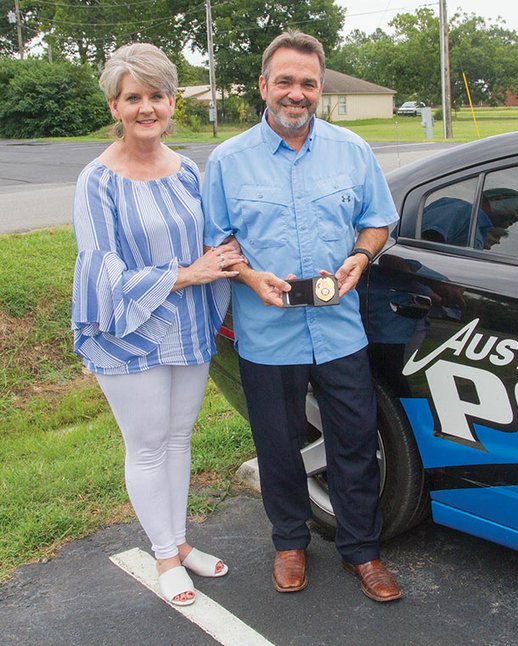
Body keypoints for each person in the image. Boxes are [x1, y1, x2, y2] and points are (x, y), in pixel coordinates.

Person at [202, 30, 402, 602]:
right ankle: (289, 543)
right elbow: (218, 242)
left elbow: (377, 220)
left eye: (308, 83)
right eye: (285, 81)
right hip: (267, 335)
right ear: (264, 86)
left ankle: (363, 552)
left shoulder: (352, 151)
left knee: (355, 442)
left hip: (339, 331)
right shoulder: (228, 161)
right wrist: (246, 275)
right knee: (277, 444)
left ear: (321, 90)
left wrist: (361, 257)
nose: (297, 93)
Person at [70, 43, 245, 607]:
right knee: (146, 447)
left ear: (172, 102)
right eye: (133, 98)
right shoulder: (97, 181)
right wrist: (189, 275)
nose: (146, 107)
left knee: (177, 439)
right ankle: (164, 557)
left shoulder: (187, 169)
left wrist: (234, 261)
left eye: (156, 96)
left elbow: (210, 243)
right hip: (128, 335)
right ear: (115, 106)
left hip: (188, 330)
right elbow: (102, 270)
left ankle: (179, 541)